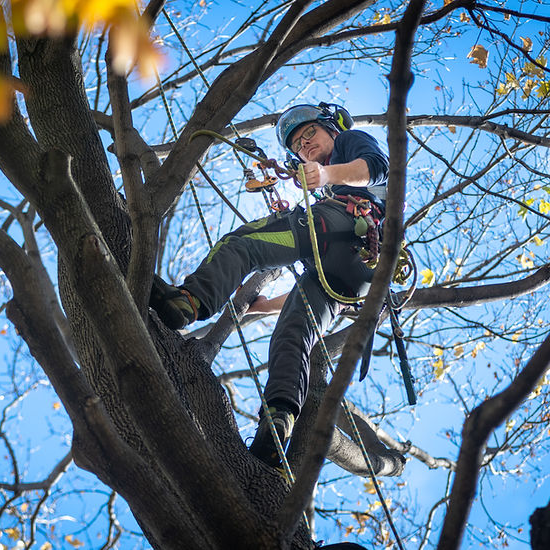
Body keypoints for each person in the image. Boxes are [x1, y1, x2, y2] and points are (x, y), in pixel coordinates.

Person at [150, 103, 389, 467]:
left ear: (331, 127)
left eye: (309, 133)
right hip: (352, 277)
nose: (303, 144)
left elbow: (375, 168)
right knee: (292, 332)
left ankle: (188, 302)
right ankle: (279, 421)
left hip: (348, 226)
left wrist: (325, 176)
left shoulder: (350, 143)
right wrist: (263, 305)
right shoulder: (327, 184)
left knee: (244, 243)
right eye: (296, 144)